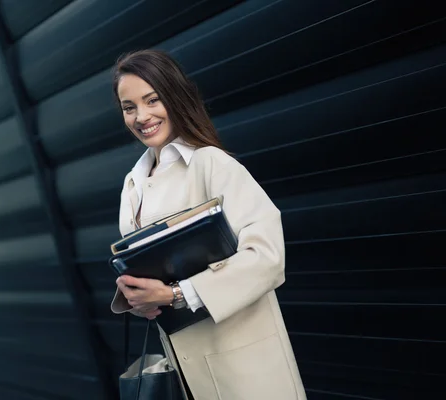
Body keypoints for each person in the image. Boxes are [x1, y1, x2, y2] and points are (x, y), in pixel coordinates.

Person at [110, 49, 306, 400]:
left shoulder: (210, 164)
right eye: (129, 107)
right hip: (185, 368)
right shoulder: (133, 184)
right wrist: (139, 298)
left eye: (152, 100)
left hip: (244, 367)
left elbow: (268, 257)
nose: (142, 116)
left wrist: (177, 294)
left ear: (173, 95)